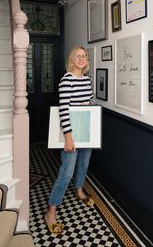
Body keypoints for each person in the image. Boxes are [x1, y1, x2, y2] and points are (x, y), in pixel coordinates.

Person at [45, 46, 95, 234]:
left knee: (84, 164)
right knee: (66, 171)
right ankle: (51, 211)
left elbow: (92, 101)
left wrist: (88, 103)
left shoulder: (87, 80)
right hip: (71, 134)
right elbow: (63, 110)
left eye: (84, 56)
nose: (81, 59)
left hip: (86, 130)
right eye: (78, 56)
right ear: (72, 60)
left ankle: (79, 190)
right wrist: (68, 138)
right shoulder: (67, 80)